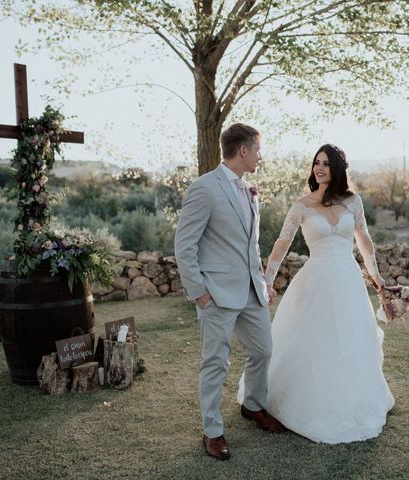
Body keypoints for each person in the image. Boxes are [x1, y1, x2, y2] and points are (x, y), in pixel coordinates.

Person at [238, 143, 395, 443]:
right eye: (316, 163)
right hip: (316, 280)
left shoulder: (353, 202)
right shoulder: (302, 205)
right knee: (314, 342)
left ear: (337, 168)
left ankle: (354, 401)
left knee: (350, 341)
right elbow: (282, 244)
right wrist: (267, 281)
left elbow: (365, 241)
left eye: (326, 163)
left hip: (348, 280)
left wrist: (377, 278)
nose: (319, 168)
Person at [175, 123, 286, 461]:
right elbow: (184, 245)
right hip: (217, 294)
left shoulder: (250, 190)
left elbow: (250, 246)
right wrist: (200, 294)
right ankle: (212, 431)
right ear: (243, 151)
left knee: (264, 350)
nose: (260, 156)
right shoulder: (204, 188)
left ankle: (252, 405)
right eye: (257, 150)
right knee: (215, 362)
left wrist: (262, 283)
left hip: (251, 291)